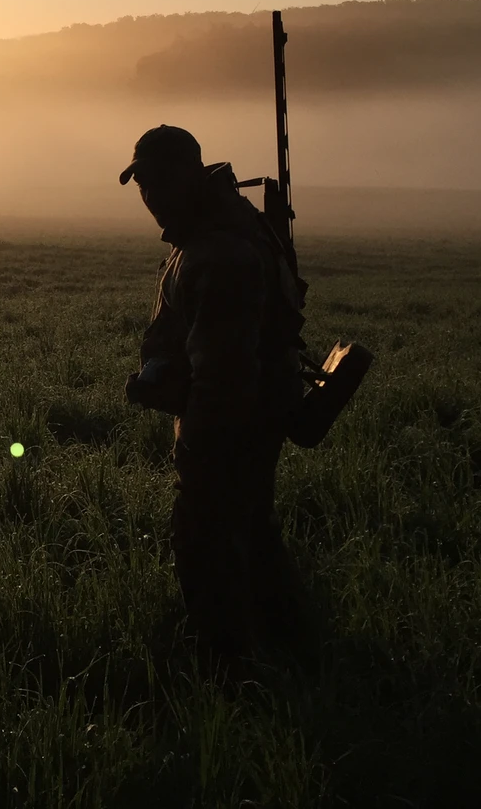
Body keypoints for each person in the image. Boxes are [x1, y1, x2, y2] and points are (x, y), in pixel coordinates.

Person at [119, 124, 316, 676]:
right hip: (258, 409)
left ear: (190, 174)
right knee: (250, 525)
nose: (150, 196)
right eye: (142, 184)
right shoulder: (217, 228)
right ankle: (289, 638)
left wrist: (198, 451)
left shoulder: (219, 250)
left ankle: (228, 669)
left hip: (234, 420)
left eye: (159, 181)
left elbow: (224, 377)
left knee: (205, 534)